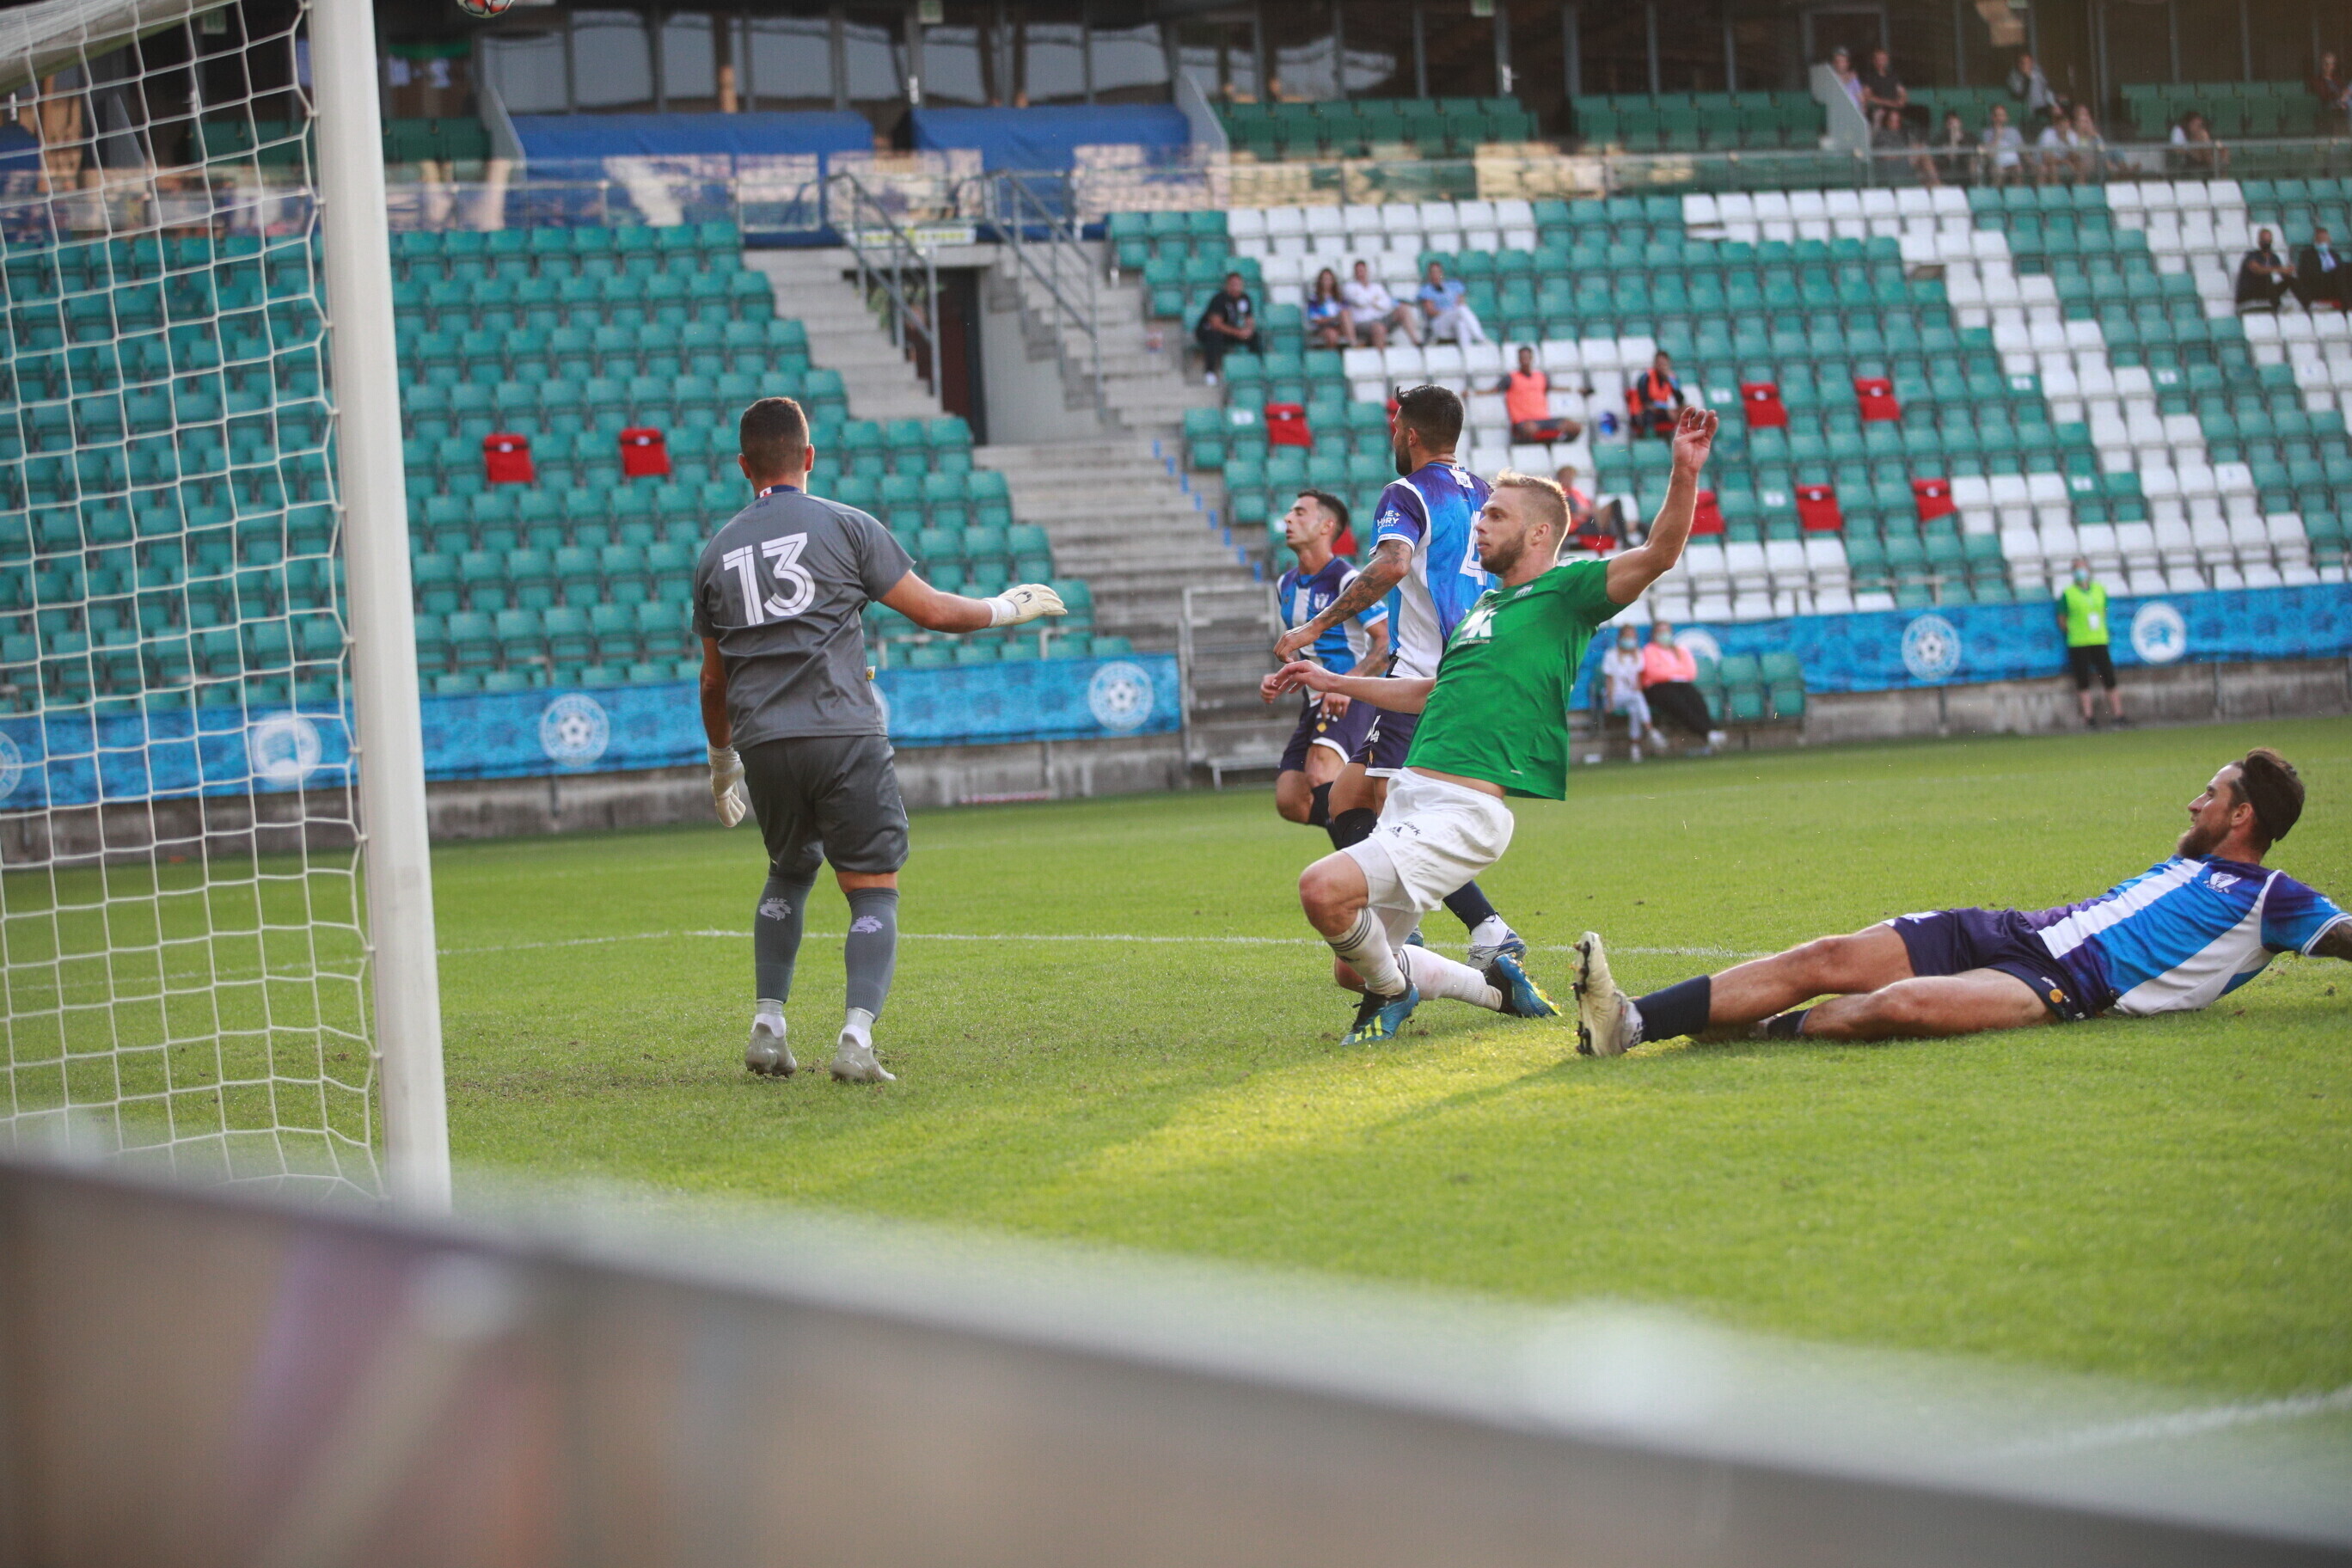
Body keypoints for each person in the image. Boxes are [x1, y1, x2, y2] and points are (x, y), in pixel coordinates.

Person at [1266, 407, 1720, 1044]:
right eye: (1482, 515)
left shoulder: (1568, 594)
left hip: (1462, 810)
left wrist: (1684, 471)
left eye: (1496, 516)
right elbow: (1431, 692)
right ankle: (1496, 991)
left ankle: (1397, 992)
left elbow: (1659, 553)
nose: (1479, 524)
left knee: (1321, 889)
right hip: (1414, 800)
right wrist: (1333, 680)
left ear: (1540, 532)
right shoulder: (1483, 607)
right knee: (1353, 966)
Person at [695, 397, 1066, 1083]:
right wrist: (1004, 607)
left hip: (764, 742)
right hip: (842, 732)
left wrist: (723, 767)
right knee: (871, 890)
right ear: (809, 456)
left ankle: (768, 1027)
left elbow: (713, 683)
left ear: (744, 466)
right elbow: (933, 611)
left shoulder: (716, 552)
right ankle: (855, 1039)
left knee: (788, 870)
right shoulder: (846, 525)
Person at [1571, 750, 2348, 1055]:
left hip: (2060, 986)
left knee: (1900, 1006)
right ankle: (1630, 1022)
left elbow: (2342, 934)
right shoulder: (2190, 865)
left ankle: (1762, 1028)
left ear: (2243, 817)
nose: (2193, 804)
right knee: (1828, 956)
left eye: (2209, 796)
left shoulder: (2274, 897)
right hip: (2016, 930)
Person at [1272, 383, 1529, 971]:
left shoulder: (1407, 491)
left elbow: (1392, 563)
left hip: (1425, 672)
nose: (1392, 437)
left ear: (1411, 434)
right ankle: (1407, 928)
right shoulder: (1484, 492)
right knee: (1346, 798)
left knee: (1400, 811)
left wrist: (1315, 628)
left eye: (1394, 428)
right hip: (1471, 663)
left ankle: (1483, 929)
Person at [1265, 490, 1389, 830]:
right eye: (1290, 512)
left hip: (1350, 696)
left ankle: (1365, 860)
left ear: (1326, 526)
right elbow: (1308, 650)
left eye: (1299, 512)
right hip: (1314, 701)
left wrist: (1347, 684)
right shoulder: (1286, 583)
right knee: (1291, 799)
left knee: (1321, 772)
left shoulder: (1347, 579)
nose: (1288, 519)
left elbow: (1386, 641)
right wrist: (1281, 676)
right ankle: (1375, 838)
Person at [2056, 554, 2126, 728]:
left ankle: (2118, 714)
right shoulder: (2068, 594)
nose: (2081, 572)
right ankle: (2089, 717)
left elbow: (2104, 611)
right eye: (2077, 569)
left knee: (2108, 677)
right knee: (2083, 680)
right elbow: (2062, 619)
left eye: (2083, 568)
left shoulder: (2099, 589)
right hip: (2078, 641)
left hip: (2099, 639)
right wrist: (2073, 630)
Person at [1638, 619, 1724, 749]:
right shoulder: (1649, 651)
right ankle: (1707, 732)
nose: (1664, 635)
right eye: (1661, 632)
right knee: (1679, 704)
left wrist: (1668, 671)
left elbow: (1691, 672)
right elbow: (1654, 673)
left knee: (1697, 700)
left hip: (1681, 685)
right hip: (1659, 688)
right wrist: (1676, 672)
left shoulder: (1680, 650)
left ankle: (1711, 730)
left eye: (1666, 631)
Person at [1597, 625, 1669, 760]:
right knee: (1637, 698)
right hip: (1615, 697)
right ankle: (1651, 730)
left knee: (1635, 709)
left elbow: (1638, 682)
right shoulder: (1611, 655)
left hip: (1631, 697)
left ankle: (1635, 747)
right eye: (1627, 637)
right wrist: (1610, 702)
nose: (1630, 640)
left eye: (1632, 637)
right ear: (1620, 638)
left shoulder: (1638, 655)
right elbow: (1609, 680)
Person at [1499, 344, 1579, 444]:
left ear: (1532, 358)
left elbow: (1552, 388)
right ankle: (1534, 449)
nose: (1525, 360)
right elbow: (1494, 390)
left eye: (1527, 357)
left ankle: (1558, 447)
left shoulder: (1541, 376)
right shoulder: (1510, 378)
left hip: (1544, 419)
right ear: (1518, 359)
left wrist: (1576, 389)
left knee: (1575, 427)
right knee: (1530, 429)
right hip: (1523, 420)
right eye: (1522, 358)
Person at [1194, 271, 1261, 383]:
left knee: (1254, 336)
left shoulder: (1245, 298)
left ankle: (1255, 369)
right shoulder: (1219, 299)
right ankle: (1210, 372)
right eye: (1233, 284)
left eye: (1238, 284)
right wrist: (1238, 333)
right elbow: (1216, 324)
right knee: (1214, 336)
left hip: (1231, 332)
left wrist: (1248, 330)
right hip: (1209, 331)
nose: (1236, 287)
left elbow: (1249, 319)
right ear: (1227, 285)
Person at [1341, 259, 1419, 347]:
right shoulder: (1349, 287)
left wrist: (1369, 301)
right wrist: (1375, 300)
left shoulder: (1377, 287)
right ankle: (1381, 354)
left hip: (1382, 318)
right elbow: (1360, 302)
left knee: (1403, 309)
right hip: (1363, 323)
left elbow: (1387, 304)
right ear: (1354, 273)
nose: (1361, 274)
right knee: (1378, 328)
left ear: (1367, 271)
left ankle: (1416, 341)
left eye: (1362, 271)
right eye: (1358, 271)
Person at [1416, 259, 1487, 346]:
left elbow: (1461, 302)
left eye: (1438, 272)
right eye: (1433, 272)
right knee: (1461, 310)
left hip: (1454, 319)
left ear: (1442, 273)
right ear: (1429, 275)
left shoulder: (1453, 285)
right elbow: (1430, 311)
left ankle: (1466, 350)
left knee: (1461, 324)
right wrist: (1448, 312)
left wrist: (1452, 312)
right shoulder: (1427, 289)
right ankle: (1481, 338)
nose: (1435, 275)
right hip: (1439, 322)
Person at [1625, 348, 1684, 438]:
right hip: (1642, 413)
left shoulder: (1670, 379)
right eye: (1659, 363)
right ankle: (1649, 440)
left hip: (1661, 411)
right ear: (1655, 364)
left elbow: (1680, 400)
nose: (1662, 367)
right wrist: (1665, 408)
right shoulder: (1646, 377)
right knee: (1650, 414)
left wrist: (1674, 383)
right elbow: (1646, 402)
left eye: (1664, 364)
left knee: (1686, 411)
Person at [2237, 227, 2293, 310]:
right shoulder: (2252, 255)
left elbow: (2282, 273)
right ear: (2259, 242)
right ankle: (2278, 306)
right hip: (2251, 291)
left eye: (2268, 240)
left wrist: (2288, 271)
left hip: (2266, 291)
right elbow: (2257, 269)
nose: (2266, 243)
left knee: (2291, 279)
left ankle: (2307, 305)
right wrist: (2277, 269)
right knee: (2266, 276)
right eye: (2264, 240)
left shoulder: (2274, 258)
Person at [2294, 224, 2346, 311]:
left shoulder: (2335, 255)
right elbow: (2305, 274)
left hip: (2336, 282)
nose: (2322, 242)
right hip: (2318, 283)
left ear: (2329, 241)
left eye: (2325, 240)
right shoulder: (2307, 255)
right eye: (2320, 240)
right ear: (2315, 241)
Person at [1305, 266, 1351, 351]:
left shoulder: (1340, 298)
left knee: (1345, 314)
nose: (1327, 282)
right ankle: (1331, 356)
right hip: (1323, 328)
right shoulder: (1314, 299)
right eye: (1325, 279)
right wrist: (1334, 319)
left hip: (1340, 326)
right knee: (1332, 335)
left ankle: (1353, 345)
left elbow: (1346, 313)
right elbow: (1316, 319)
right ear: (1320, 281)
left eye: (1330, 279)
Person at [2033, 104, 2079, 184]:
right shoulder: (2047, 133)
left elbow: (2075, 157)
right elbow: (2046, 158)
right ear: (2056, 125)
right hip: (2043, 163)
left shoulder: (2072, 135)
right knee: (2051, 168)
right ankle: (2055, 190)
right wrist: (2065, 162)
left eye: (2065, 123)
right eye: (2060, 123)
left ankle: (2081, 189)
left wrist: (2067, 141)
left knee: (2080, 166)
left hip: (2064, 165)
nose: (2063, 126)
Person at [1981, 102, 2025, 187]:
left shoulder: (2014, 131)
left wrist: (2032, 162)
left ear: (2006, 117)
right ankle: (1995, 193)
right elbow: (1989, 154)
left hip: (2013, 163)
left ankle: (2016, 194)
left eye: (2002, 115)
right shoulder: (1986, 133)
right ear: (1993, 117)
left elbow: (2023, 150)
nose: (1999, 118)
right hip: (1995, 164)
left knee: (2018, 170)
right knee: (1999, 172)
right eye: (1997, 115)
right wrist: (1997, 136)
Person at [2171, 109, 2227, 175]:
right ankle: (2215, 170)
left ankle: (2221, 172)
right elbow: (2176, 149)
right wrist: (2191, 151)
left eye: (2200, 125)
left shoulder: (2202, 133)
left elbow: (2212, 142)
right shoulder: (2178, 130)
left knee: (2223, 149)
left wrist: (2221, 146)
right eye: (2195, 124)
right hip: (2188, 157)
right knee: (2205, 147)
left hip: (2205, 153)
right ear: (2189, 124)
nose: (2198, 127)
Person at [1859, 46, 1908, 119]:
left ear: (1887, 61)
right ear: (1874, 61)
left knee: (1895, 115)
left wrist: (1902, 100)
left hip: (1895, 109)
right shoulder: (1869, 77)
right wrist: (1888, 103)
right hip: (1878, 109)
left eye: (1883, 59)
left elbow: (1902, 92)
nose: (1881, 62)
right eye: (1878, 59)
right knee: (1886, 115)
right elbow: (1867, 96)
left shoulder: (1893, 77)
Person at [1930, 107, 1972, 186]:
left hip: (1967, 170)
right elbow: (1952, 157)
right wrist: (1953, 138)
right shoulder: (1940, 139)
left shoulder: (1969, 137)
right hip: (1947, 171)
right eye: (1949, 122)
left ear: (1960, 122)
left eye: (1954, 121)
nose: (1952, 124)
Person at [2006, 51, 2055, 118]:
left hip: (2045, 106)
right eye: (2022, 63)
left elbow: (2046, 87)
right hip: (2030, 109)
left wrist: (2054, 102)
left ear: (2032, 63)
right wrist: (2027, 78)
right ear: (2018, 64)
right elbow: (2021, 96)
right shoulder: (2013, 77)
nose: (2025, 65)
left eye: (2028, 62)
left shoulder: (2037, 72)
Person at [1828, 46, 1864, 113]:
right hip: (1839, 112)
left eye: (1843, 61)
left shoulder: (1853, 79)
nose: (1840, 64)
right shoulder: (1830, 78)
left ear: (1847, 63)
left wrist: (1862, 110)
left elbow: (1861, 99)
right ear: (1833, 63)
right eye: (1837, 61)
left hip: (1855, 112)